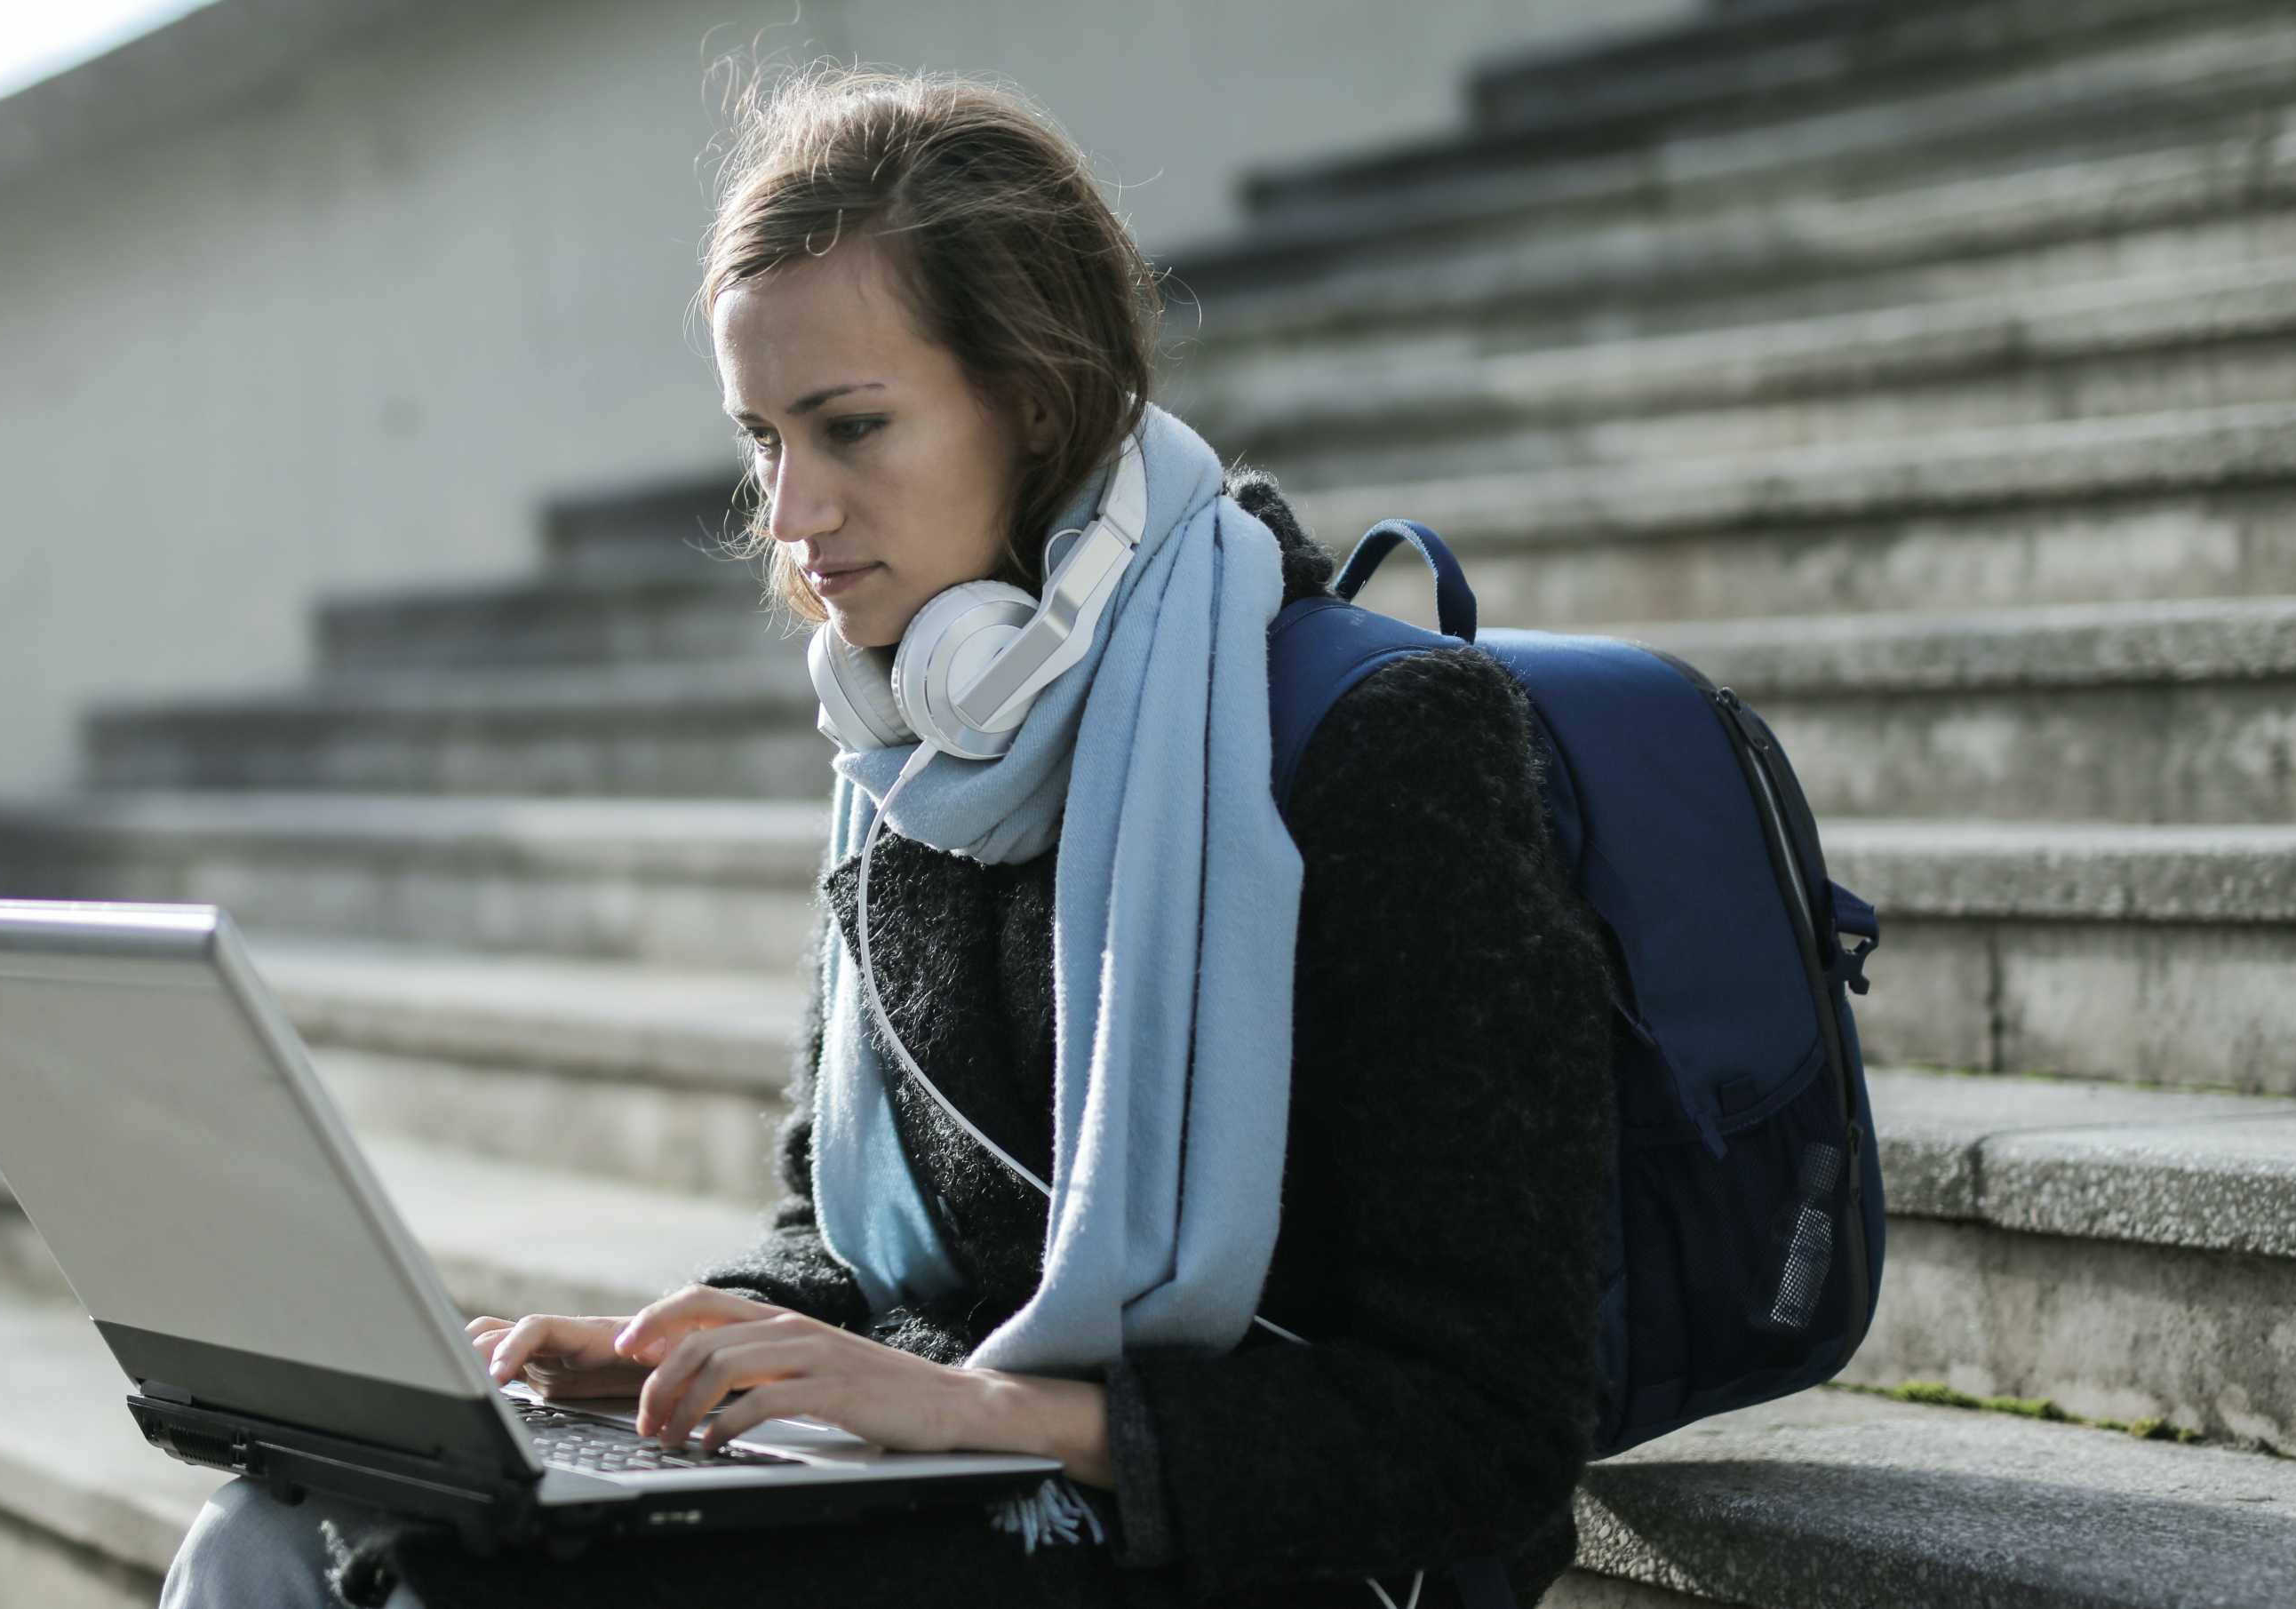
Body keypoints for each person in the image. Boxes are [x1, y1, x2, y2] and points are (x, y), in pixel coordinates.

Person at [160, 63, 1619, 1609]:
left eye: (850, 427)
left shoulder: (1381, 747)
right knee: (269, 1531)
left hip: (1251, 1541)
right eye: (763, 439)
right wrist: (673, 1344)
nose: (793, 513)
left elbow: (1496, 1428)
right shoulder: (910, 736)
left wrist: (990, 1415)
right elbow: (838, 1232)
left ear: (1038, 404)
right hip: (956, 1481)